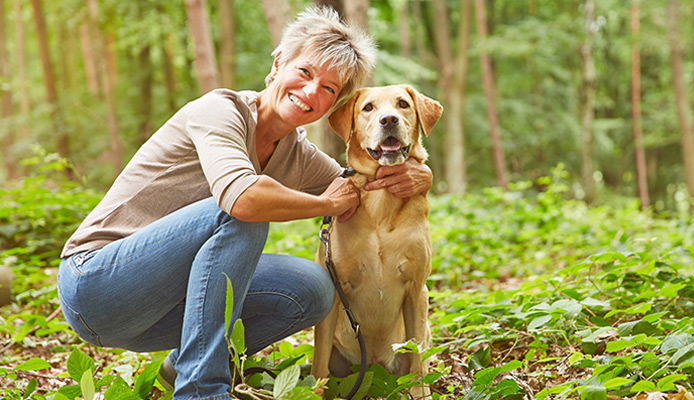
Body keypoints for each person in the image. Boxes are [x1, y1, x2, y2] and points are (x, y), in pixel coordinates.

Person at [57, 6, 432, 400]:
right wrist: (326, 204)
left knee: (311, 290)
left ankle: (182, 364)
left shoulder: (296, 154)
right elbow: (244, 199)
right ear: (278, 63)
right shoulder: (219, 110)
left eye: (328, 89)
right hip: (97, 284)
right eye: (305, 73)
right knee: (243, 211)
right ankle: (202, 391)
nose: (310, 92)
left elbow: (357, 182)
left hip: (159, 309)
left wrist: (421, 175)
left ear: (333, 107)